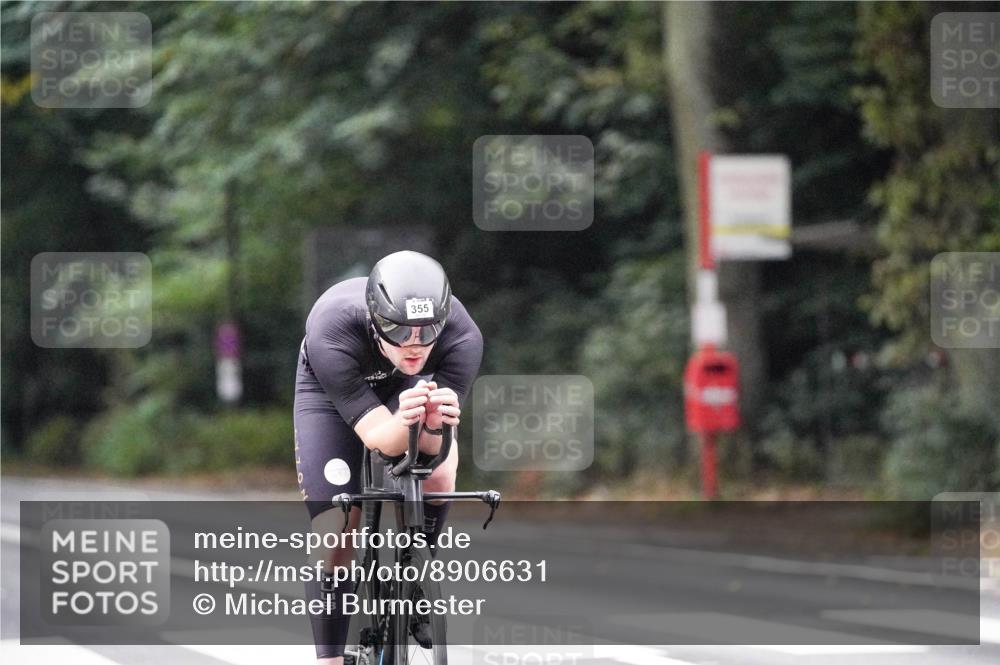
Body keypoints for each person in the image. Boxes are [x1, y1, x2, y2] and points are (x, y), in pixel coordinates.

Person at [293, 250, 483, 665]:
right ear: (375, 320)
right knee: (337, 529)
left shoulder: (462, 338)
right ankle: (329, 659)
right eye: (399, 332)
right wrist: (406, 421)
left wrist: (433, 425)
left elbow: (430, 453)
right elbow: (382, 438)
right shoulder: (332, 328)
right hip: (331, 399)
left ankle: (417, 582)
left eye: (427, 332)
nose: (414, 346)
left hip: (408, 391)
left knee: (440, 473)